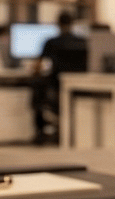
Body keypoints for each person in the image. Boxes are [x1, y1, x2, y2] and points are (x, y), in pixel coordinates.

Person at [31, 12, 89, 144]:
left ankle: (40, 133)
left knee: (36, 88)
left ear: (58, 24)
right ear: (72, 24)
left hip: (56, 87)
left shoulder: (51, 42)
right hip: (80, 88)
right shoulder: (83, 41)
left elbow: (38, 66)